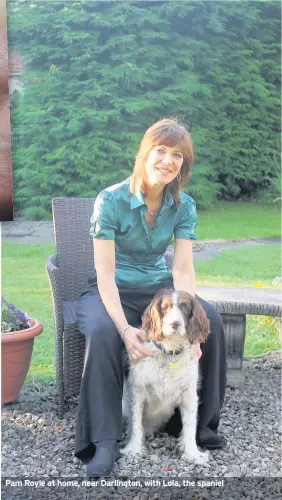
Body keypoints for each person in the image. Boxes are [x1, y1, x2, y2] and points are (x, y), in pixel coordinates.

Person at [75, 118, 226, 477]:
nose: (168, 160)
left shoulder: (183, 205)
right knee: (101, 331)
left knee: (214, 322)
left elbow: (183, 270)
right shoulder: (110, 200)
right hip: (109, 290)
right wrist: (126, 330)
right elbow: (106, 275)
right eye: (161, 150)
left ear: (182, 166)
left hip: (156, 291)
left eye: (177, 155)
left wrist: (192, 331)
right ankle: (105, 441)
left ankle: (201, 427)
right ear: (145, 152)